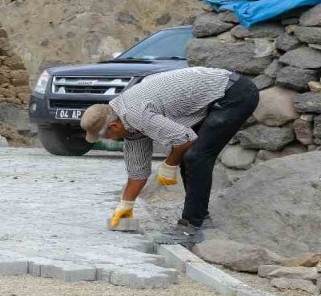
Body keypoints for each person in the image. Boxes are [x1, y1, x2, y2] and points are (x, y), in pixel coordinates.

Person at [80, 66, 258, 247]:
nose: (107, 140)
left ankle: (191, 226)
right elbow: (138, 170)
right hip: (215, 97)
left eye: (105, 136)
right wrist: (126, 204)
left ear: (114, 127)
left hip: (233, 94)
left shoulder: (135, 114)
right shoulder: (126, 123)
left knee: (195, 157)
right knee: (190, 157)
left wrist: (169, 164)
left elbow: (186, 138)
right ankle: (201, 219)